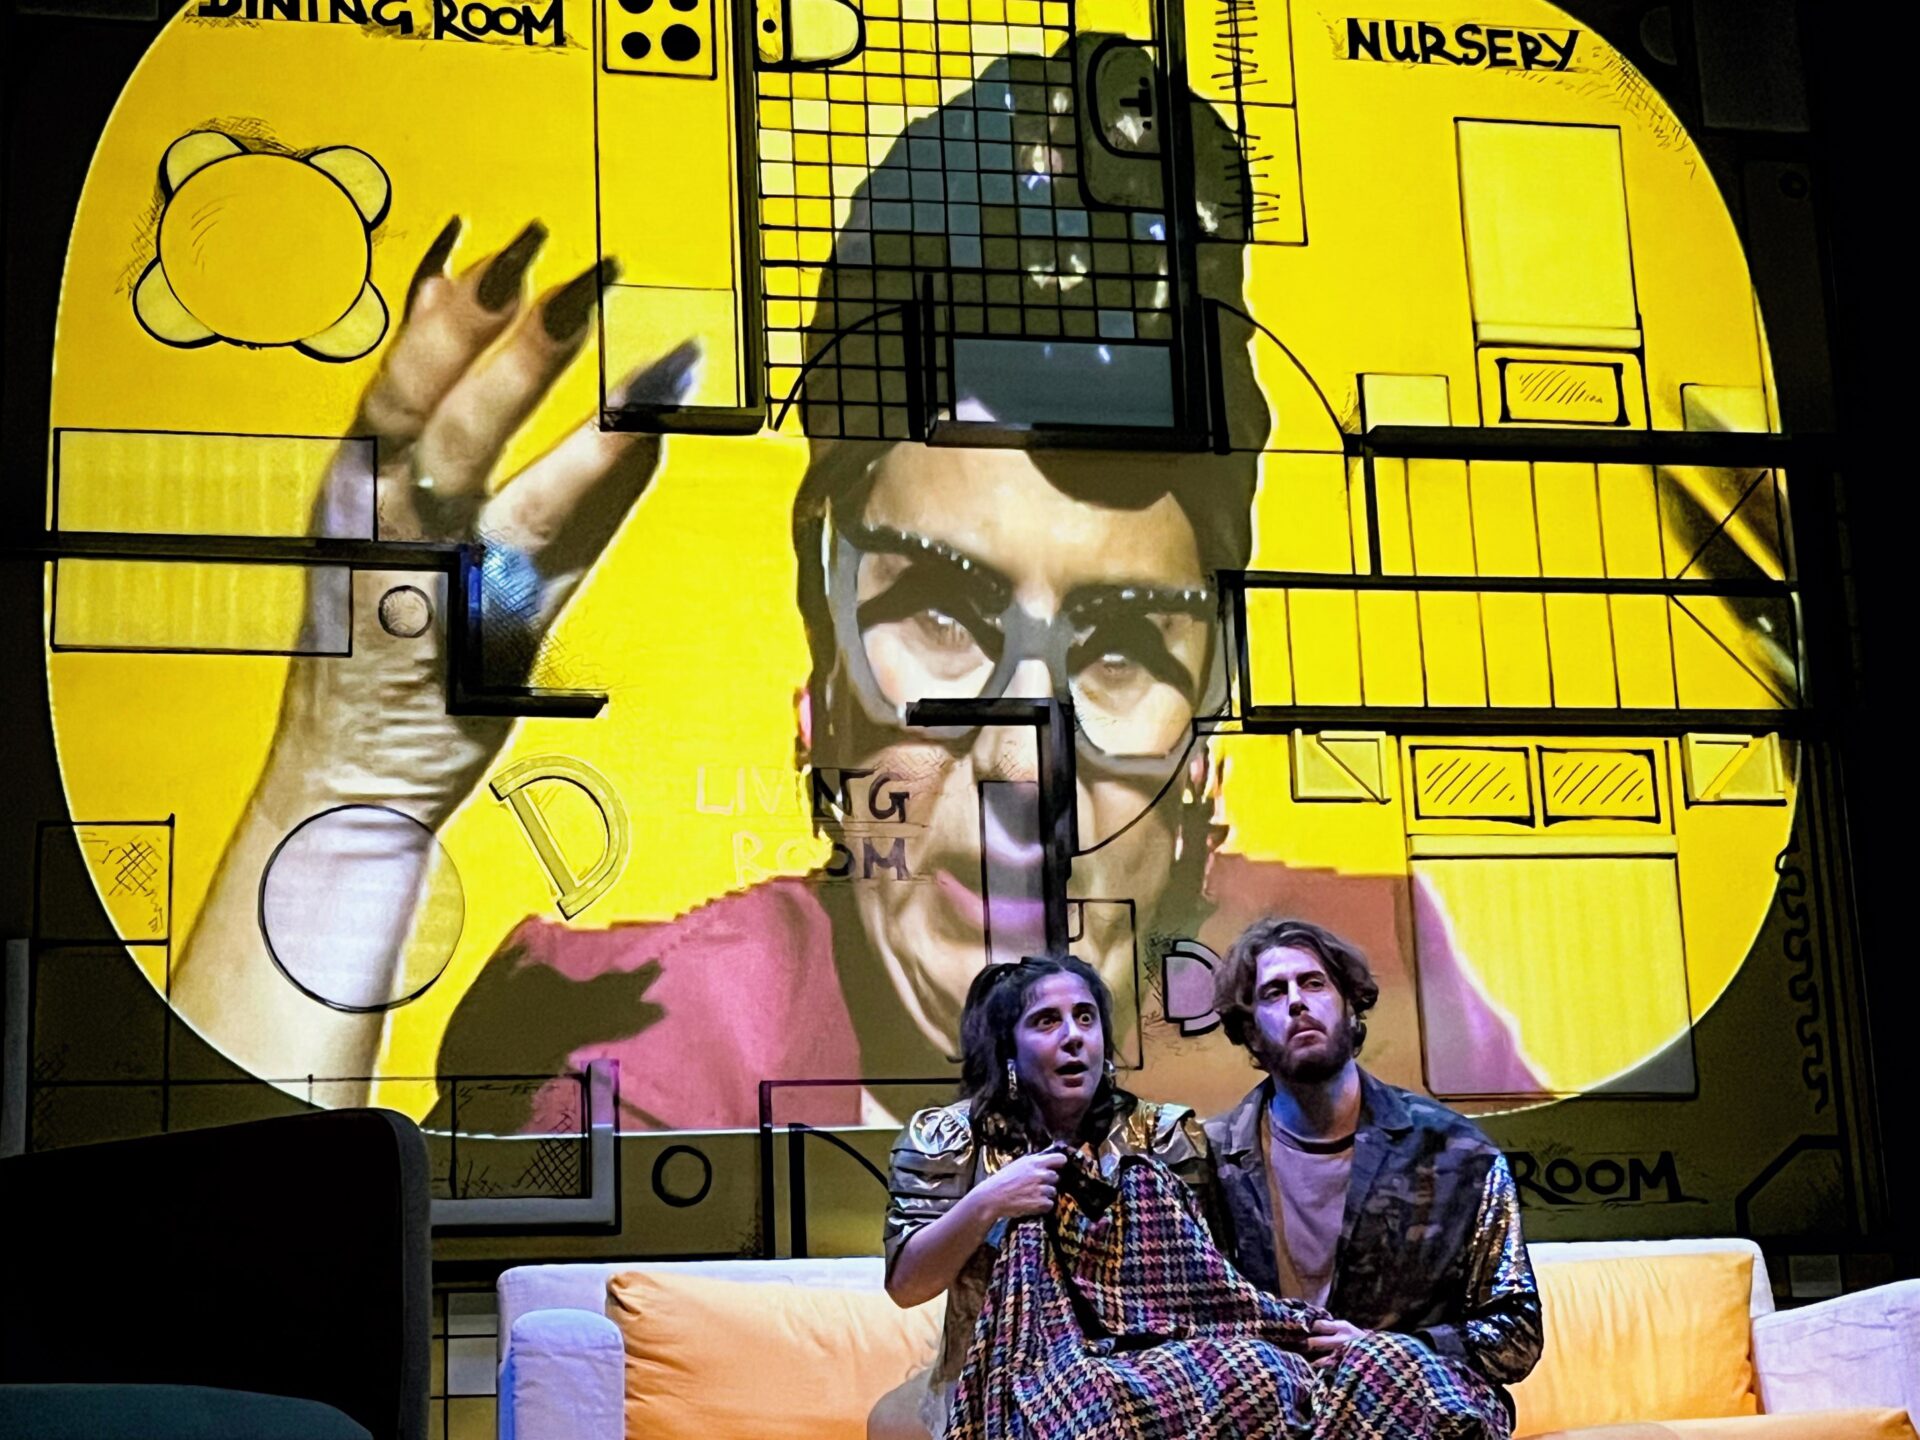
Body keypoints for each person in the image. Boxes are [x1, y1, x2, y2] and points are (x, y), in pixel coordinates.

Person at [169, 40, 1535, 1133]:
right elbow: (224, 1348)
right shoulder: (641, 1051)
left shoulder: (1375, 992)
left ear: (1208, 746)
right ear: (820, 686)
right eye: (940, 617)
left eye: (1123, 650)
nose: (1023, 764)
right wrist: (349, 788)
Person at [876, 952, 1282, 1439]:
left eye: (1085, 1018)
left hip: (1151, 1387)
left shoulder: (1159, 1135)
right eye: (1046, 1021)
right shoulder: (953, 1138)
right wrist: (988, 1202)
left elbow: (1209, 1285)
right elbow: (908, 1286)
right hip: (996, 1398)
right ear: (1009, 1051)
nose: (1073, 1036)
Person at [1204, 917, 1544, 1437]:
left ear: (1349, 1006)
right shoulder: (1210, 1160)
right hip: (1275, 1403)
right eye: (1273, 992)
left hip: (1422, 1401)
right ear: (1250, 1031)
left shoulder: (1456, 1153)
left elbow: (1516, 1332)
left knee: (1378, 1374)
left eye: (1313, 983)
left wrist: (1391, 1351)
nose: (1296, 1002)